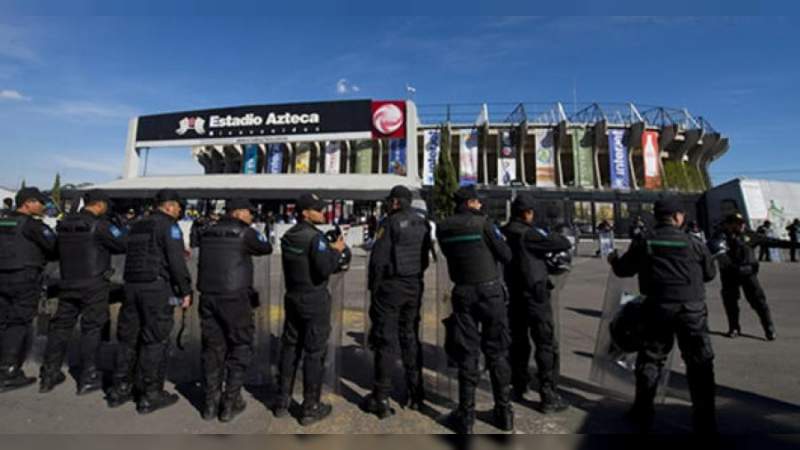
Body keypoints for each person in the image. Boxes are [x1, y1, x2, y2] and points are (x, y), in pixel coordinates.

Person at [608, 197, 717, 433]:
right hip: (692, 310)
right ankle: (705, 418)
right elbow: (710, 273)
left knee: (650, 359)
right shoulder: (694, 242)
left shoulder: (644, 241)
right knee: (699, 362)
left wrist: (613, 259)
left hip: (657, 308)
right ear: (678, 217)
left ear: (657, 217)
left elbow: (623, 269)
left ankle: (643, 410)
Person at [106, 189, 193, 413]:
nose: (180, 211)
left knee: (128, 339)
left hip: (132, 286)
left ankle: (120, 389)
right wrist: (185, 290)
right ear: (169, 206)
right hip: (156, 289)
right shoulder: (169, 226)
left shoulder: (137, 225)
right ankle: (150, 394)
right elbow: (176, 263)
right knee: (155, 340)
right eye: (178, 206)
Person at [436, 185, 513, 434]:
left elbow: (448, 255)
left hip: (463, 292)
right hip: (490, 293)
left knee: (467, 353)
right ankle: (504, 413)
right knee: (497, 352)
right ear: (470, 203)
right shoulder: (484, 224)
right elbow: (506, 255)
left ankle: (466, 417)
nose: (481, 205)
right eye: (478, 202)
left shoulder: (444, 227)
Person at [39, 190, 127, 394]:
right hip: (93, 285)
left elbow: (54, 251)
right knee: (92, 329)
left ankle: (48, 375)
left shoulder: (64, 224)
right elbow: (122, 244)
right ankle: (88, 377)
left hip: (67, 283)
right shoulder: (100, 225)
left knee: (60, 328)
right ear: (100, 205)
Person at [273, 193, 346, 426]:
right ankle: (310, 408)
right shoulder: (316, 238)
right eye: (317, 209)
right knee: (314, 352)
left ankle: (282, 402)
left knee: (290, 347)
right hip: (314, 299)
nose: (322, 212)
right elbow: (325, 269)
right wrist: (336, 250)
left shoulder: (289, 236)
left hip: (293, 295)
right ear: (305, 213)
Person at [196, 198, 272, 422]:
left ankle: (210, 404)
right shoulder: (244, 232)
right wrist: (255, 230)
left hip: (208, 296)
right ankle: (230, 402)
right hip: (235, 298)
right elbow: (265, 247)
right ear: (239, 213)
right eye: (249, 213)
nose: (252, 217)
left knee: (213, 348)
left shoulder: (207, 231)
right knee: (240, 346)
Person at [361, 186, 432, 419]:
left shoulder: (388, 223)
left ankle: (381, 397)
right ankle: (416, 393)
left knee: (386, 340)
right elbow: (425, 258)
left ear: (395, 203)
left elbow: (378, 261)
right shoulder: (422, 222)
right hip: (414, 285)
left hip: (390, 288)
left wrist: (374, 290)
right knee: (410, 337)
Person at [501, 193, 572, 413]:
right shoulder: (528, 234)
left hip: (513, 294)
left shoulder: (503, 232)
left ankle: (519, 384)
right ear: (527, 213)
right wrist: (547, 232)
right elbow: (562, 243)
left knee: (519, 342)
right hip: (535, 295)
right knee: (545, 344)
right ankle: (548, 394)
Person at [0, 187, 58, 392]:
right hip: (23, 278)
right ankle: (8, 371)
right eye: (40, 202)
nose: (43, 206)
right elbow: (53, 247)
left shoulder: (3, 219)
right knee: (18, 323)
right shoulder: (32, 225)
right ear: (28, 203)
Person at [717, 213, 776, 341]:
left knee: (759, 302)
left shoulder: (750, 235)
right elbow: (713, 249)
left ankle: (769, 328)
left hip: (748, 273)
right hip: (729, 275)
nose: (741, 225)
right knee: (730, 302)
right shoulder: (721, 236)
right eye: (737, 223)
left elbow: (771, 241)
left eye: (742, 222)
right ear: (729, 224)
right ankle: (734, 328)